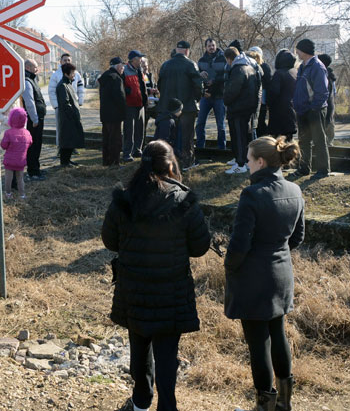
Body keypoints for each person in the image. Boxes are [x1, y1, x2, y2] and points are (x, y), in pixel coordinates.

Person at [101, 140, 210, 411]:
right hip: (171, 289)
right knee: (167, 352)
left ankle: (140, 401)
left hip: (134, 288)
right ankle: (168, 405)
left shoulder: (125, 198)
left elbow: (110, 241)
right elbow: (200, 247)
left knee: (139, 346)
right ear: (171, 164)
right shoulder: (183, 199)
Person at [225, 136, 305, 411]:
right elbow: (297, 238)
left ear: (260, 162)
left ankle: (264, 406)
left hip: (254, 279)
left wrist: (230, 265)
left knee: (258, 344)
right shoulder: (295, 190)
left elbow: (239, 245)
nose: (246, 165)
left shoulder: (252, 195)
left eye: (248, 160)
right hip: (281, 273)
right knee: (278, 333)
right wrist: (276, 251)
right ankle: (284, 403)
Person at [158, 40, 203, 170]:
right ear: (187, 51)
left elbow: (160, 85)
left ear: (177, 49)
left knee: (169, 136)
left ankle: (169, 163)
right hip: (187, 107)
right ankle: (187, 162)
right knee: (186, 137)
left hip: (167, 107)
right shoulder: (191, 64)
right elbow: (198, 86)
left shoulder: (165, 65)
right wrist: (196, 99)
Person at [292, 39, 331, 179]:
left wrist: (314, 108)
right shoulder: (303, 66)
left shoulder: (317, 67)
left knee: (319, 140)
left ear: (305, 50)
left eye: (298, 50)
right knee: (304, 140)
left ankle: (323, 170)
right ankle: (304, 168)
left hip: (315, 109)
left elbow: (322, 91)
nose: (296, 52)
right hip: (303, 109)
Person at [223, 47, 261, 175]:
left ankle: (240, 163)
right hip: (249, 107)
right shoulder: (250, 66)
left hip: (238, 108)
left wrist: (226, 100)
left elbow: (232, 90)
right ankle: (246, 160)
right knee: (246, 136)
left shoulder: (238, 69)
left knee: (239, 136)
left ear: (229, 59)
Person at [196, 38, 228, 150]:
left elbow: (226, 76)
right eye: (209, 46)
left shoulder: (223, 59)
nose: (211, 47)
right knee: (200, 123)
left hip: (219, 96)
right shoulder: (201, 60)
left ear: (216, 46)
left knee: (220, 125)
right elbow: (196, 77)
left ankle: (222, 148)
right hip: (206, 96)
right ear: (206, 47)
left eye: (213, 45)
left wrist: (214, 80)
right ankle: (200, 147)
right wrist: (200, 75)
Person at [48, 53, 85, 147]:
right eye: (65, 60)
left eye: (68, 60)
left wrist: (80, 101)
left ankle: (73, 147)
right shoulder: (56, 75)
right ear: (60, 61)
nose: (66, 62)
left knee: (74, 127)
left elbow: (80, 87)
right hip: (61, 107)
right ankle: (60, 148)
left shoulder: (76, 73)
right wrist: (56, 106)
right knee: (61, 129)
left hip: (74, 105)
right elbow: (51, 91)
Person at [22, 59, 47, 181]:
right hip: (34, 120)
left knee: (37, 144)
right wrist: (35, 118)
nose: (37, 70)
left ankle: (36, 168)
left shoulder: (32, 79)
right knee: (34, 146)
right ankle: (33, 172)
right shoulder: (27, 81)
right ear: (28, 67)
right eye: (35, 67)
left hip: (37, 118)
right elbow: (30, 102)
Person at [56, 63, 85, 167]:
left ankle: (67, 160)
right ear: (66, 73)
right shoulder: (62, 86)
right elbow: (65, 103)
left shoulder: (68, 83)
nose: (74, 75)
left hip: (71, 117)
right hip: (67, 118)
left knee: (70, 140)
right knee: (66, 140)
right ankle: (64, 162)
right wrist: (73, 114)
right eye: (72, 73)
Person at [0, 108, 34, 199]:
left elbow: (3, 145)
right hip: (21, 159)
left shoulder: (8, 132)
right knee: (20, 178)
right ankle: (22, 195)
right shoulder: (27, 132)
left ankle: (8, 194)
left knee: (8, 178)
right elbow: (30, 142)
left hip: (9, 160)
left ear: (11, 119)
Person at [99, 57, 126, 166]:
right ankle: (115, 162)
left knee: (106, 139)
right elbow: (120, 97)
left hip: (105, 114)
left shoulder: (104, 77)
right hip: (115, 115)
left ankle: (106, 161)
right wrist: (124, 111)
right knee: (115, 140)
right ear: (118, 66)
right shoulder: (116, 78)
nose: (123, 68)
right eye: (122, 66)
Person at [123, 50, 149, 161]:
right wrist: (127, 91)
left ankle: (137, 150)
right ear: (133, 59)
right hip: (129, 105)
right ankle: (127, 154)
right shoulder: (124, 71)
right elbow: (120, 87)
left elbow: (143, 85)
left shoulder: (140, 70)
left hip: (140, 104)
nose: (141, 60)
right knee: (129, 131)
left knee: (140, 129)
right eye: (139, 59)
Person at [268, 49, 298, 142]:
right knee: (289, 140)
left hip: (279, 112)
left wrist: (269, 103)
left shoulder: (279, 74)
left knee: (278, 141)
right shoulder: (294, 72)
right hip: (292, 109)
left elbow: (274, 92)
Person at [249, 47, 272, 139]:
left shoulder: (265, 67)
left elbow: (268, 83)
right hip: (255, 98)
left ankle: (265, 138)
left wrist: (266, 100)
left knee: (260, 120)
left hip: (262, 98)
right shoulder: (251, 66)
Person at [317, 54, 337, 145]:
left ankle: (325, 144)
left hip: (325, 104)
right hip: (331, 103)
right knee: (330, 122)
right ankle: (329, 143)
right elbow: (334, 92)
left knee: (324, 124)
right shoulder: (331, 75)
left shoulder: (323, 74)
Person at [141, 57, 159, 131]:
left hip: (153, 104)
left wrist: (156, 90)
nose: (145, 68)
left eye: (146, 66)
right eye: (143, 66)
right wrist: (149, 91)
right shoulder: (138, 76)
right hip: (144, 106)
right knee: (142, 128)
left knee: (161, 120)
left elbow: (154, 85)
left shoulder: (150, 76)